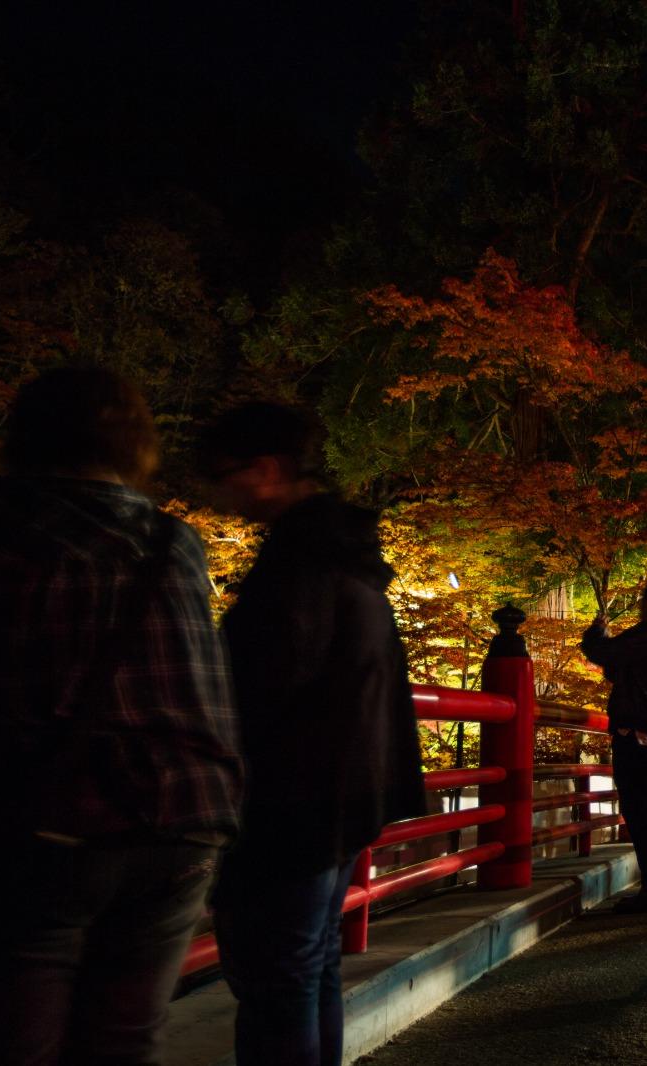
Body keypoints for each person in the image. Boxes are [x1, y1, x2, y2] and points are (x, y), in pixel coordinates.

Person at [0, 367, 243, 1065]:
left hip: (44, 819)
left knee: (9, 1042)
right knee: (123, 1043)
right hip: (183, 812)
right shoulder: (175, 542)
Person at [200, 403, 426, 1066]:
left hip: (291, 801)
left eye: (225, 474)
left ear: (266, 470)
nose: (220, 491)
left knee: (280, 981)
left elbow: (263, 685)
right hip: (341, 798)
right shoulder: (345, 557)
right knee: (311, 964)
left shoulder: (300, 565)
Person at [582, 577, 647, 913]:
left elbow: (601, 653)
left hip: (635, 730)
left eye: (645, 597)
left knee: (640, 810)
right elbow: (631, 670)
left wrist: (596, 633)